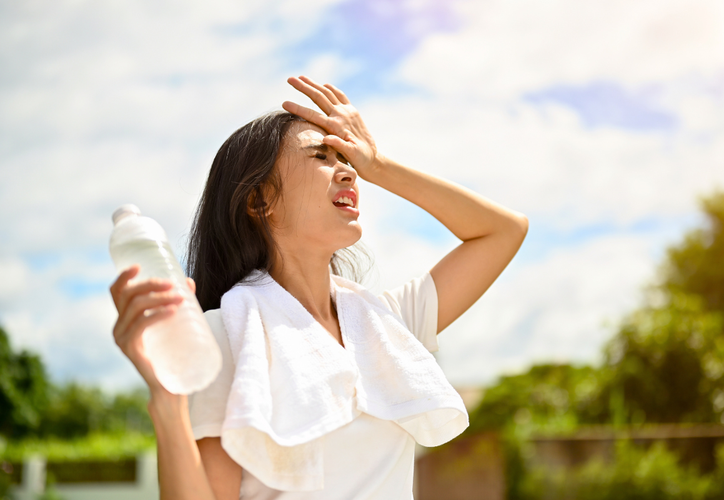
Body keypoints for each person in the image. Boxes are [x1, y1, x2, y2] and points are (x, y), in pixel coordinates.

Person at [109, 76, 528, 500]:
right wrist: (167, 399)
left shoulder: (388, 326)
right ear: (259, 201)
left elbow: (503, 231)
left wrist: (379, 165)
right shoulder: (227, 335)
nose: (348, 170)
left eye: (346, 156)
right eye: (322, 156)